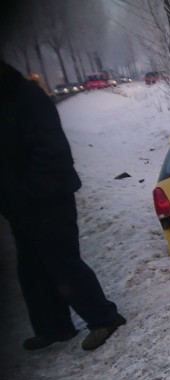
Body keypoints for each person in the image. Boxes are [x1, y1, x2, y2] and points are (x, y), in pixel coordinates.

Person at [0, 60, 126, 351]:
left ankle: (104, 318)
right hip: (19, 204)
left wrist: (30, 192)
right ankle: (53, 328)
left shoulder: (28, 99)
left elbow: (52, 151)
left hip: (48, 199)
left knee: (62, 261)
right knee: (31, 267)